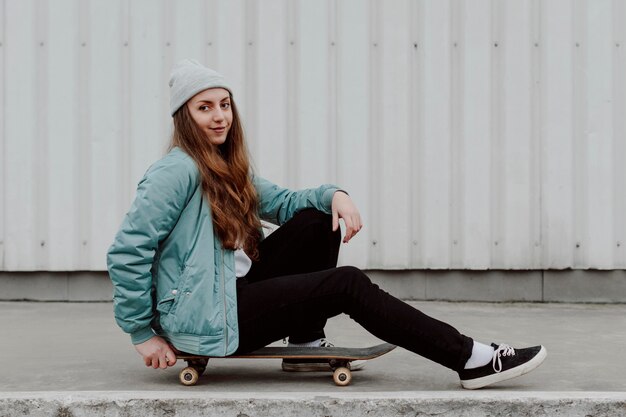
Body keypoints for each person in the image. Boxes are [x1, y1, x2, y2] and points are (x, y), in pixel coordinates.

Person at [107, 59, 547, 389]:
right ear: (186, 117)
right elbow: (128, 250)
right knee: (346, 284)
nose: (219, 116)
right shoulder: (176, 171)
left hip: (229, 297)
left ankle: (305, 341)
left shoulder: (224, 168)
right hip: (206, 317)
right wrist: (142, 333)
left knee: (318, 220)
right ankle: (468, 357)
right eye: (205, 108)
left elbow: (283, 202)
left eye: (224, 105)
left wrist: (334, 195)